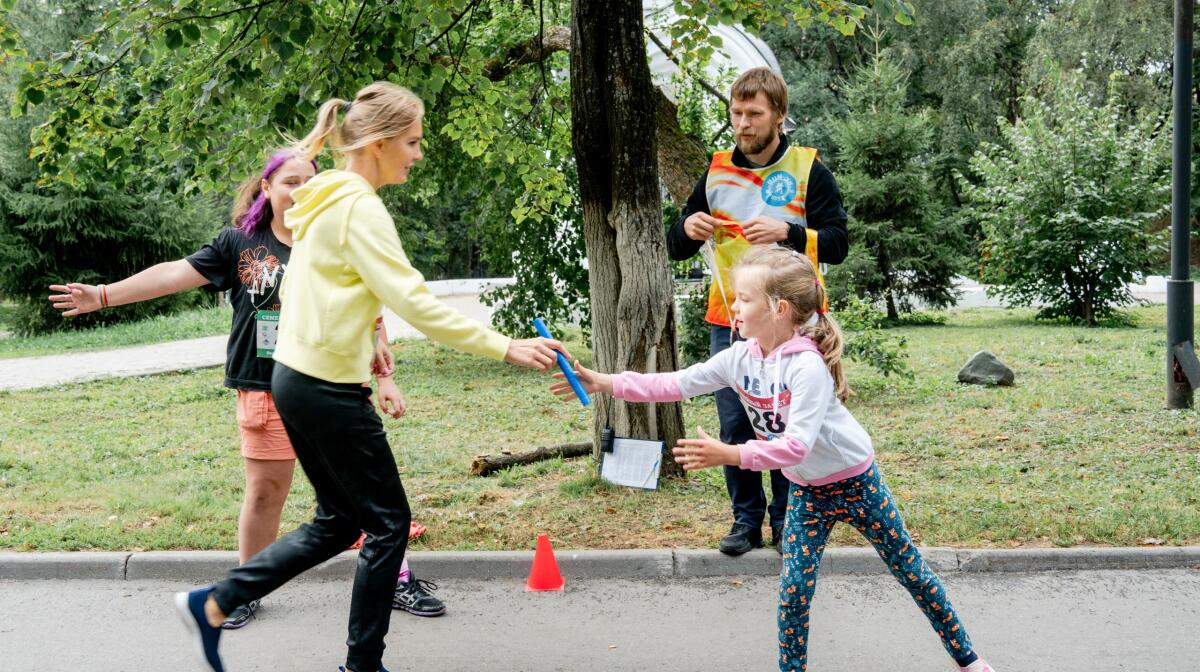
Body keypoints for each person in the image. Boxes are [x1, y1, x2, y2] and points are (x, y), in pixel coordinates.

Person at [173, 82, 568, 672]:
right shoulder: (358, 205)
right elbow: (417, 304)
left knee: (341, 520)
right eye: (412, 142)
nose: (418, 154)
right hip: (327, 391)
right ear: (380, 144)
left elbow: (322, 292)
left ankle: (220, 599)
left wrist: (366, 345)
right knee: (389, 524)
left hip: (294, 381)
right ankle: (361, 666)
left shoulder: (324, 197)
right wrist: (506, 346)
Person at [47, 150, 443, 628]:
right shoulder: (240, 242)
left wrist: (384, 374)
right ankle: (246, 589)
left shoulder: (337, 238)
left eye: (309, 181)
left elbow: (369, 305)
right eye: (288, 181)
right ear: (267, 189)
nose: (299, 189)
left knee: (367, 496)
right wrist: (105, 295)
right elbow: (175, 272)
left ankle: (395, 579)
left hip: (336, 387)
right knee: (265, 493)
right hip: (265, 387)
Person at [552, 247, 995, 672]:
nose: (735, 308)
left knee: (911, 573)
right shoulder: (739, 358)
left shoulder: (807, 367)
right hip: (807, 492)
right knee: (794, 592)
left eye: (744, 299)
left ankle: (969, 661)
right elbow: (675, 383)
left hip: (857, 484)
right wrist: (603, 382)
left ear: (779, 309)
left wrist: (730, 454)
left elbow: (794, 447)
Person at [666, 66, 849, 556]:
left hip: (794, 324)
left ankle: (789, 522)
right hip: (732, 319)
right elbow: (674, 245)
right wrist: (688, 229)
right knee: (736, 426)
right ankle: (745, 522)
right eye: (736, 113)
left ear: (778, 117)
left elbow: (838, 245)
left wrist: (789, 233)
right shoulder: (717, 168)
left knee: (788, 427)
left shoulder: (809, 169)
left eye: (754, 114)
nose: (743, 124)